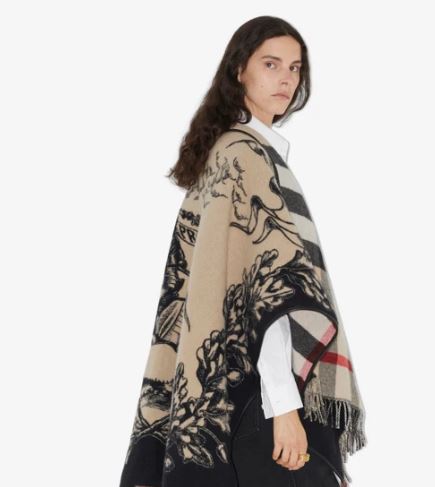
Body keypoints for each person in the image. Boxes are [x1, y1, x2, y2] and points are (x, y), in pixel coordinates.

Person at [119, 15, 366, 487]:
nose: (286, 79)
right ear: (239, 71)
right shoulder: (245, 155)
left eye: (294, 68)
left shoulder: (227, 153)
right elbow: (265, 298)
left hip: (224, 395)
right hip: (258, 401)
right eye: (271, 64)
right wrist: (285, 408)